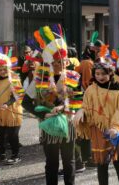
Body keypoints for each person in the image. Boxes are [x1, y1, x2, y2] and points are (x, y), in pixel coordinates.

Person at [22, 26, 83, 185]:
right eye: (57, 61)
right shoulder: (39, 80)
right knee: (51, 163)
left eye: (63, 60)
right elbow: (26, 102)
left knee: (69, 162)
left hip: (68, 124)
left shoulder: (73, 77)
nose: (61, 63)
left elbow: (79, 100)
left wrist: (65, 108)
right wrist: (43, 114)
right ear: (50, 61)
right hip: (48, 126)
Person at [75, 58, 119, 185]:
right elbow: (85, 106)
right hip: (98, 130)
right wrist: (81, 111)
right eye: (97, 74)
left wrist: (115, 127)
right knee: (102, 164)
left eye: (103, 74)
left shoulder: (118, 89)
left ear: (110, 74)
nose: (100, 77)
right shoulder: (90, 89)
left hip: (116, 131)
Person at [0, 49, 23, 165]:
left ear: (8, 68)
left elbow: (18, 95)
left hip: (12, 112)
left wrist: (6, 104)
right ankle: (1, 154)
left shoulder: (14, 79)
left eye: (4, 69)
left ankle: (15, 155)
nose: (2, 71)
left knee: (12, 135)